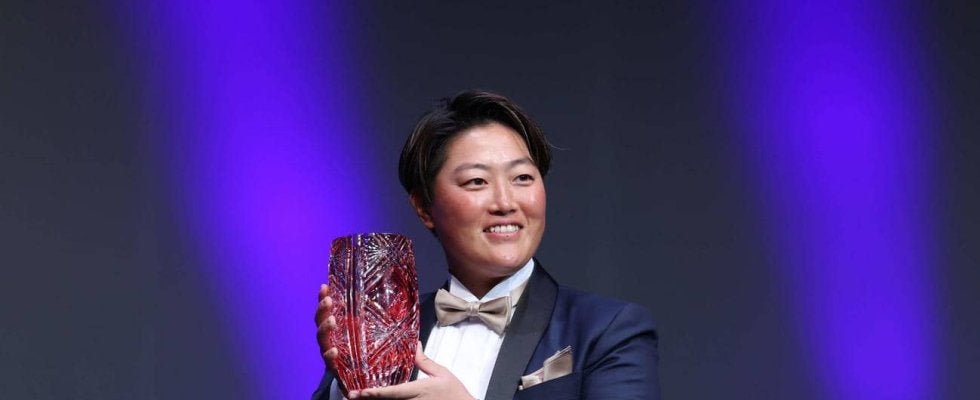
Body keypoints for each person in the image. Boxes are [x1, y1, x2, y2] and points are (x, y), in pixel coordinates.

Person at [314, 90, 660, 400]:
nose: (505, 202)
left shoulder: (607, 329)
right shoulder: (385, 333)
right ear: (424, 208)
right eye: (477, 181)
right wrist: (349, 379)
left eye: (522, 177)